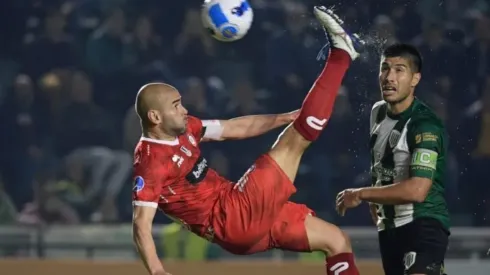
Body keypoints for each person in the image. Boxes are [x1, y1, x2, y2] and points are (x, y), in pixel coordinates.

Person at [132, 7, 363, 275]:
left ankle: (342, 56)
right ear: (155, 117)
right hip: (233, 218)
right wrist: (158, 271)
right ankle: (341, 55)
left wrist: (284, 117)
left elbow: (233, 127)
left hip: (238, 214)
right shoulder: (150, 162)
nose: (184, 110)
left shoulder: (185, 128)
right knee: (297, 139)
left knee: (337, 241)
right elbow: (140, 223)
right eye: (176, 106)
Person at [336, 43, 450, 275]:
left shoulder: (424, 125)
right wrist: (377, 197)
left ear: (415, 79)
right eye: (385, 68)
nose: (390, 77)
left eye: (399, 70)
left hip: (423, 223)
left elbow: (418, 190)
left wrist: (361, 194)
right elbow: (381, 162)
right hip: (388, 228)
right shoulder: (377, 112)